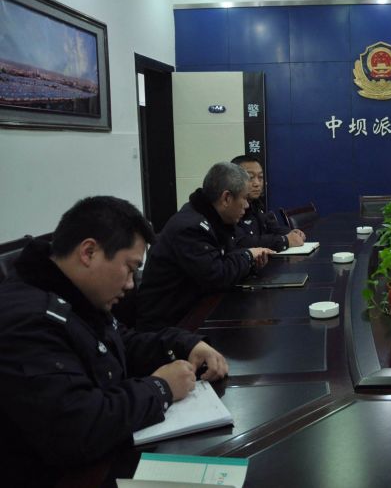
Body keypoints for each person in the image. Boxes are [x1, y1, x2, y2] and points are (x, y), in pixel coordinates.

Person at [0, 196, 229, 487]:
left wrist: (185, 344)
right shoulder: (28, 320)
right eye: (130, 268)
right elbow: (77, 427)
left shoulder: (75, 295)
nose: (131, 284)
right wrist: (160, 388)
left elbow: (122, 343)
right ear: (89, 252)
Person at [136, 162, 271, 331]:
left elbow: (229, 257)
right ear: (226, 198)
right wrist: (248, 256)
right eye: (244, 198)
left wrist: (249, 262)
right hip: (169, 327)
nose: (247, 205)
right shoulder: (190, 228)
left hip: (196, 313)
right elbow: (218, 276)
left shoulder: (216, 219)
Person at [231, 155, 306, 251]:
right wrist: (284, 240)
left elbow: (273, 228)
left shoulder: (256, 204)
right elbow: (242, 242)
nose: (257, 183)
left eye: (260, 177)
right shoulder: (231, 208)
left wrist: (292, 233)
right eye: (250, 177)